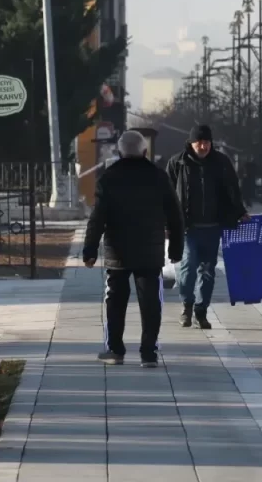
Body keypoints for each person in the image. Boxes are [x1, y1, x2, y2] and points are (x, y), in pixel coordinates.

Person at [83, 131, 184, 368]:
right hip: (150, 250)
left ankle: (115, 350)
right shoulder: (158, 177)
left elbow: (98, 218)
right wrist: (176, 249)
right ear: (145, 151)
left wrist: (90, 250)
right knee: (150, 302)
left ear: (119, 152)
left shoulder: (108, 178)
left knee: (115, 300)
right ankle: (148, 353)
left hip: (117, 250)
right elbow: (175, 215)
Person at [166, 125, 250, 330]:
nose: (203, 146)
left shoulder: (221, 162)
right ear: (191, 143)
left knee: (207, 270)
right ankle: (187, 305)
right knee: (188, 267)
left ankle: (201, 311)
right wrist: (166, 221)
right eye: (199, 142)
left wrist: (240, 212)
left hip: (213, 226)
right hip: (188, 227)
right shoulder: (177, 162)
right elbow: (166, 194)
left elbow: (233, 189)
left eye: (207, 142)